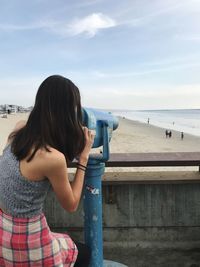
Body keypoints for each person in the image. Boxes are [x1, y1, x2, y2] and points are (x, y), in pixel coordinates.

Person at [0, 75, 95, 266]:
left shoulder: (19, 131)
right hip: (26, 241)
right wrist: (84, 157)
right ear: (68, 111)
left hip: (3, 230)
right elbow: (71, 205)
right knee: (85, 253)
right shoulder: (52, 159)